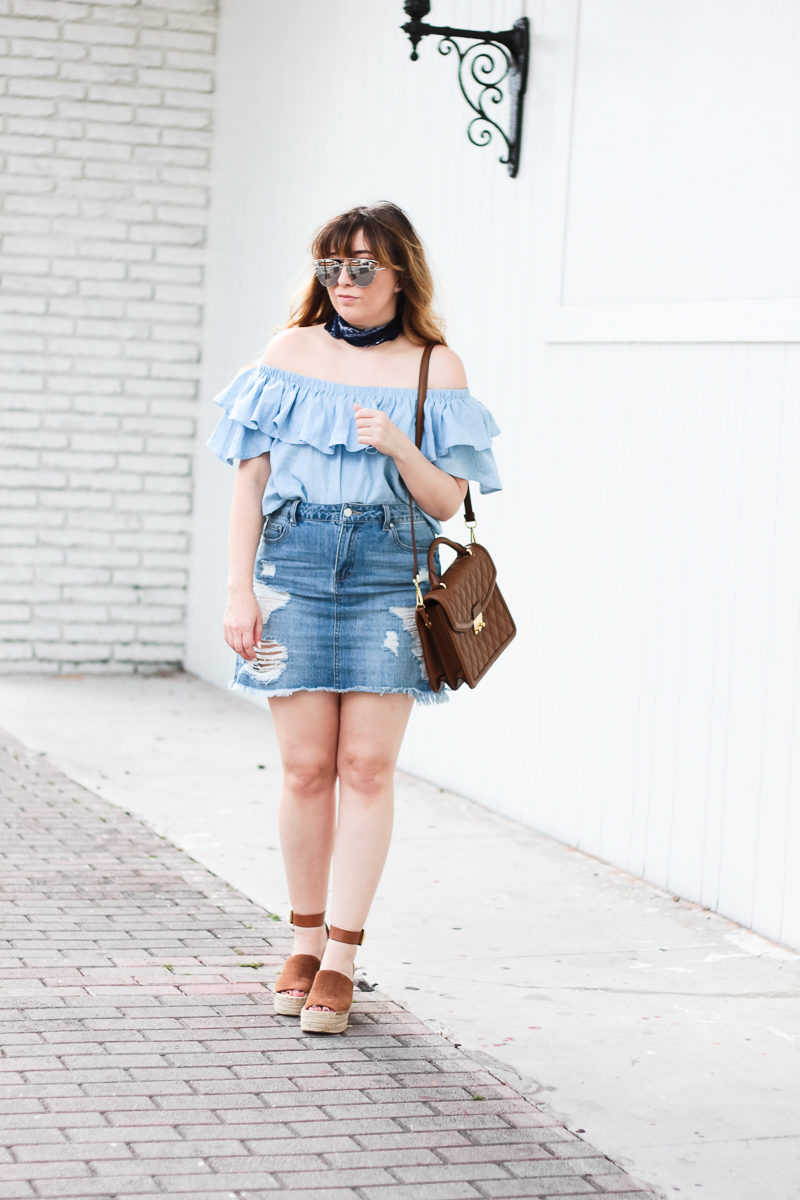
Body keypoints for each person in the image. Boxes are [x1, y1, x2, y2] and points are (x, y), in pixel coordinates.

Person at [208, 202, 501, 1034]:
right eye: (332, 266)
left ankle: (340, 958)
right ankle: (299, 943)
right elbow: (248, 488)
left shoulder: (433, 368)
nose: (345, 282)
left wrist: (400, 446)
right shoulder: (288, 352)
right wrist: (239, 592)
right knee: (304, 769)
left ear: (401, 270)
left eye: (363, 266)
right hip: (293, 566)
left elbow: (449, 501)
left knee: (367, 769)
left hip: (387, 570)